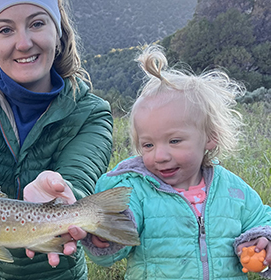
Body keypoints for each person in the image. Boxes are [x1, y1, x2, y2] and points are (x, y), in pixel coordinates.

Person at [0, 0, 113, 279]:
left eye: (37, 23)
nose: (23, 43)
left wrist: (63, 191)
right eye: (5, 30)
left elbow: (79, 175)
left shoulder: (93, 112)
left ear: (58, 32)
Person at [85, 45, 271, 279]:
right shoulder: (136, 191)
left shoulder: (234, 191)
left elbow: (261, 219)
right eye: (148, 145)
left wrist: (260, 239)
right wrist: (106, 236)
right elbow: (110, 249)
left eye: (174, 140)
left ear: (210, 137)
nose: (160, 156)